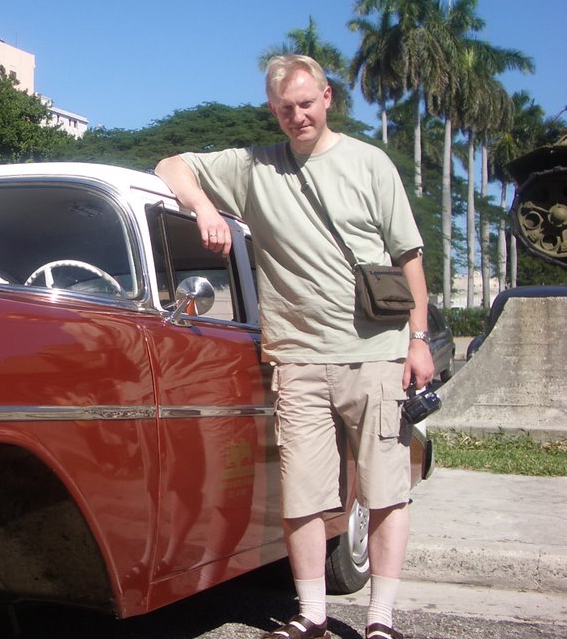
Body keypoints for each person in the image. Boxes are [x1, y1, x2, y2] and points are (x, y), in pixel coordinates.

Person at [155, 55, 433, 639]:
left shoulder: (369, 162)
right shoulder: (254, 169)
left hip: (375, 353)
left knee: (385, 490)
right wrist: (206, 206)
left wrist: (419, 339)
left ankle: (381, 619)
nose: (297, 116)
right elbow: (170, 165)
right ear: (272, 110)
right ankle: (311, 616)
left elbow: (409, 256)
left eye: (306, 103)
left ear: (327, 98)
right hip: (298, 360)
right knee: (303, 496)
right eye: (285, 108)